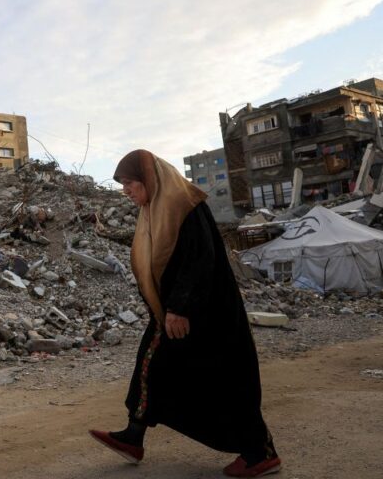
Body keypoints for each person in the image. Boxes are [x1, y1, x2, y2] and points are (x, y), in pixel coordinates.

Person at [88, 149, 281, 477]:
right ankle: (134, 435)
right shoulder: (154, 210)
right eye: (123, 185)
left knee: (223, 380)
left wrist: (180, 308)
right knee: (153, 368)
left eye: (131, 183)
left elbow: (199, 261)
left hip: (205, 316)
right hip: (173, 314)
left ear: (150, 179)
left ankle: (259, 454)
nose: (126, 191)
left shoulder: (185, 206)